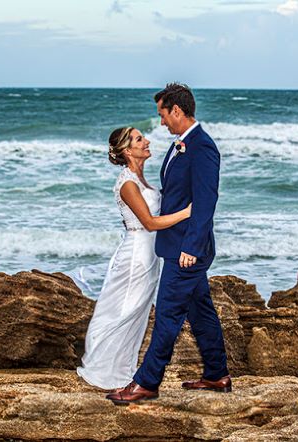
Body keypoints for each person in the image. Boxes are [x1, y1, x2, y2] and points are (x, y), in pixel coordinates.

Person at [106, 83, 230, 406]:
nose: (161, 122)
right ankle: (217, 374)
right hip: (179, 247)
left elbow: (206, 202)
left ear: (176, 110)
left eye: (163, 114)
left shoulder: (201, 146)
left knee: (167, 315)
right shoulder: (181, 145)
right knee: (200, 311)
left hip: (186, 252)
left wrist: (191, 247)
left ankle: (146, 383)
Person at [76, 126, 191, 390]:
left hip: (150, 256)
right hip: (135, 255)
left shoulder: (143, 179)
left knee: (137, 313)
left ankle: (123, 371)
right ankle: (105, 372)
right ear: (128, 150)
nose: (147, 141)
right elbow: (149, 222)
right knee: (123, 311)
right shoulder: (127, 183)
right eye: (140, 139)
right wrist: (187, 213)